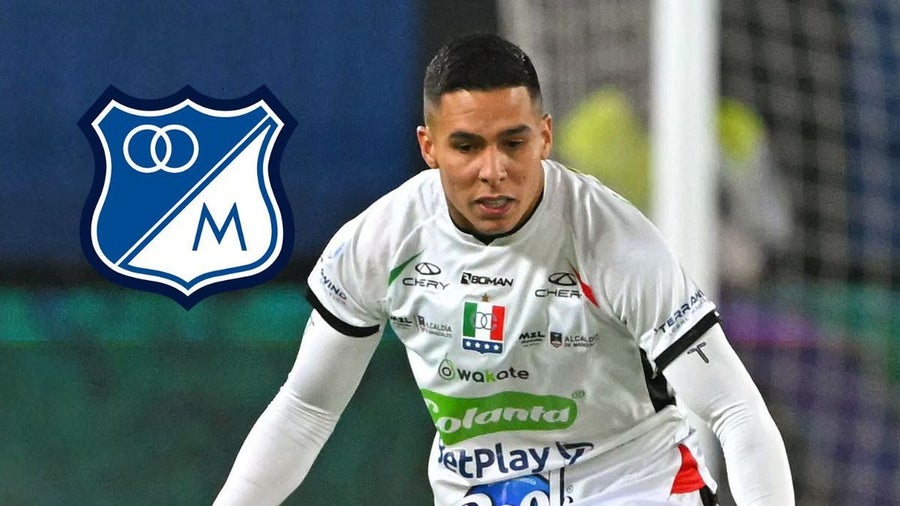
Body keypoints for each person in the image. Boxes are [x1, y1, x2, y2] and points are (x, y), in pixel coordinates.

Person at [213, 33, 794, 505]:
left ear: (544, 137)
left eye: (513, 144)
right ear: (429, 147)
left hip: (633, 487)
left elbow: (735, 410)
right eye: (467, 146)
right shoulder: (382, 240)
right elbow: (307, 408)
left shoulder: (612, 238)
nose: (493, 171)